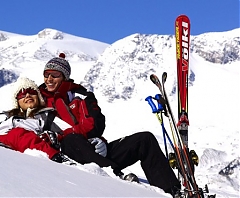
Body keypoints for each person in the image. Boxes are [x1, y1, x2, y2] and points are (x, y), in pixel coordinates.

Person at [38, 53, 181, 197]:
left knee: (145, 140)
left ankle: (172, 191)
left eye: (54, 74)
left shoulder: (81, 96)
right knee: (72, 139)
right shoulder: (38, 98)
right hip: (68, 152)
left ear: (64, 76)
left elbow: (95, 124)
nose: (49, 79)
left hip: (96, 151)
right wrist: (69, 135)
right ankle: (114, 174)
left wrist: (98, 141)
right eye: (46, 74)